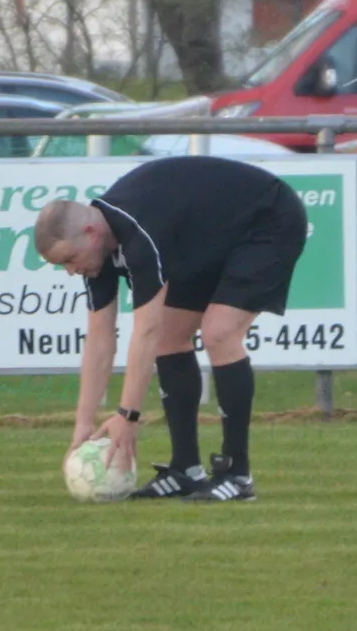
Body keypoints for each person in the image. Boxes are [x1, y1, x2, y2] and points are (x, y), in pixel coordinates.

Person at [34, 155, 309, 502]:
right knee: (170, 338)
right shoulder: (96, 256)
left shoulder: (138, 234)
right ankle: (186, 471)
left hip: (268, 219)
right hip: (209, 236)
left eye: (69, 260)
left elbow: (144, 331)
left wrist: (127, 416)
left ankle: (237, 475)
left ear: (90, 233)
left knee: (219, 332)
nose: (71, 271)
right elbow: (100, 341)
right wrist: (83, 425)